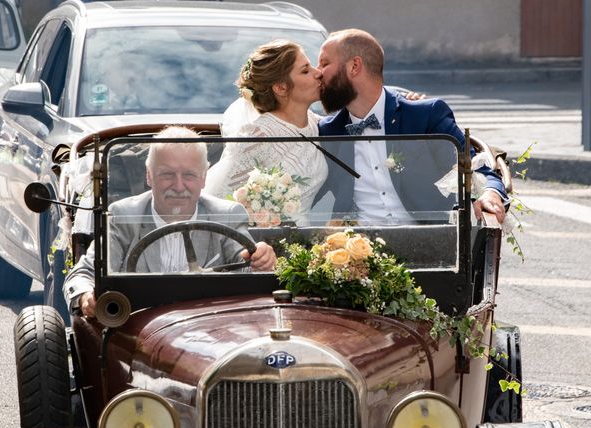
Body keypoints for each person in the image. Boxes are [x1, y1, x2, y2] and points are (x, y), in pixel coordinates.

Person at [64, 126, 276, 318]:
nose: (178, 185)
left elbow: (248, 273)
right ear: (149, 176)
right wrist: (86, 297)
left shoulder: (226, 214)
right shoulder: (123, 216)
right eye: (167, 174)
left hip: (212, 331)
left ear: (204, 178)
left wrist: (261, 259)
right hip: (139, 332)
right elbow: (83, 274)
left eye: (189, 175)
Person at [316, 28, 507, 224]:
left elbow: (476, 168)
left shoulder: (424, 116)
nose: (317, 72)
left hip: (430, 241)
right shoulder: (328, 132)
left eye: (324, 63)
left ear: (354, 66)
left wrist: (490, 194)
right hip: (358, 247)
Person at [204, 40, 328, 226]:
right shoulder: (257, 137)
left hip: (305, 241)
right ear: (280, 88)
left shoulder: (315, 123)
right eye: (305, 71)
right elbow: (221, 201)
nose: (318, 73)